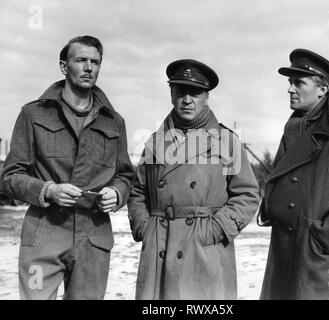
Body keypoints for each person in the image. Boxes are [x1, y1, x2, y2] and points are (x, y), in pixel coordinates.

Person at [0, 35, 134, 299]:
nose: (88, 68)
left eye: (95, 62)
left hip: (94, 238)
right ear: (63, 66)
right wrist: (48, 190)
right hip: (44, 234)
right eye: (81, 60)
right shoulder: (33, 114)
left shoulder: (114, 122)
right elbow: (10, 176)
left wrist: (117, 193)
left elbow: (126, 176)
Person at [128, 59, 260, 300]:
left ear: (206, 96)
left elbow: (248, 195)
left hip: (203, 251)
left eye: (195, 92)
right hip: (160, 246)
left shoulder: (227, 141)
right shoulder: (155, 141)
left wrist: (213, 230)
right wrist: (144, 227)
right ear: (171, 94)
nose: (187, 100)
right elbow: (138, 191)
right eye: (180, 91)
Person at [258, 48, 329, 300]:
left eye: (298, 82)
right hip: (284, 253)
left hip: (321, 260)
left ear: (322, 89)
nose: (290, 89)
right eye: (290, 82)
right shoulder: (292, 131)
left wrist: (322, 237)